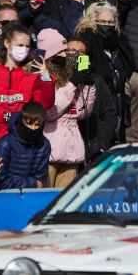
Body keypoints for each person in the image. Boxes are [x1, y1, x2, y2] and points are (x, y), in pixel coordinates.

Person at [0, 24, 55, 153]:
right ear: (7, 43)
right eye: (20, 45)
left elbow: (44, 105)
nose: (24, 50)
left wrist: (46, 78)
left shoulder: (31, 77)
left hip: (22, 148)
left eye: (27, 46)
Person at [43, 52, 95, 187]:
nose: (66, 53)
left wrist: (88, 86)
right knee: (45, 196)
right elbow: (50, 112)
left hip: (72, 149)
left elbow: (82, 113)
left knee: (64, 201)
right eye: (62, 50)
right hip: (50, 150)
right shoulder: (45, 76)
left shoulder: (72, 80)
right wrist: (71, 85)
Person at [0, 102, 52, 191]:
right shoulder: (5, 144)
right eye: (29, 123)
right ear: (21, 121)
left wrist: (35, 184)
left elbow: (41, 179)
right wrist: (32, 183)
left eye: (37, 125)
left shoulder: (44, 145)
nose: (32, 128)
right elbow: (0, 181)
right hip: (5, 196)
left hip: (30, 196)